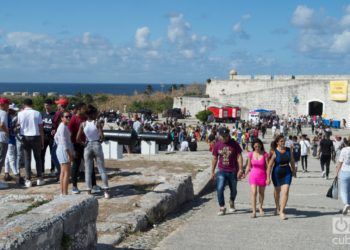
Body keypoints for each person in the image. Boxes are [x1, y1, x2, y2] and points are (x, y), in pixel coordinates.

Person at [77, 105, 110, 199]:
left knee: (88, 169)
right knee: (102, 169)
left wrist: (84, 143)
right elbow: (102, 136)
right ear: (93, 114)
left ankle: (88, 190)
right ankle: (106, 191)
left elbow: (77, 138)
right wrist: (100, 141)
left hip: (87, 145)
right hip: (96, 144)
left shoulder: (83, 124)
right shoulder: (97, 123)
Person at [211, 127, 243, 216]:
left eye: (226, 136)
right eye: (223, 136)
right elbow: (214, 158)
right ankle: (222, 207)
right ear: (220, 136)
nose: (224, 138)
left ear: (229, 135)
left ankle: (232, 200)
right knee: (219, 188)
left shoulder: (234, 144)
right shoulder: (217, 144)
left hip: (233, 170)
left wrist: (240, 169)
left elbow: (239, 156)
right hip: (221, 170)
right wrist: (212, 171)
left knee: (233, 190)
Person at [267, 135, 296, 220]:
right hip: (277, 173)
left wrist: (294, 170)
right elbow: (269, 166)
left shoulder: (288, 150)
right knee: (277, 192)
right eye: (281, 141)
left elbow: (292, 160)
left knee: (286, 191)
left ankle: (282, 211)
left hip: (287, 172)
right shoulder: (274, 152)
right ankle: (277, 206)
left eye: (284, 141)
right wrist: (268, 178)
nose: (283, 143)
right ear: (277, 143)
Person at [17, 98, 45, 188]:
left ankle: (28, 180)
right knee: (38, 158)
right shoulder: (37, 113)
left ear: (24, 104)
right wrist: (42, 140)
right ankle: (39, 178)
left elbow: (18, 125)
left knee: (27, 159)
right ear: (32, 104)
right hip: (36, 137)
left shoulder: (20, 113)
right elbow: (41, 128)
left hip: (25, 137)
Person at [245, 138, 269, 218]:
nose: (257, 147)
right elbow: (248, 166)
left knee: (261, 193)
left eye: (258, 146)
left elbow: (268, 167)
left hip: (262, 175)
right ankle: (254, 211)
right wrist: (244, 174)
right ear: (253, 146)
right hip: (253, 175)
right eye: (255, 146)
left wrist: (268, 178)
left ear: (261, 146)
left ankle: (260, 207)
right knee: (254, 192)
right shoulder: (251, 154)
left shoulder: (265, 154)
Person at [54, 111, 74, 195]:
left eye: (70, 116)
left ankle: (63, 192)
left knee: (63, 172)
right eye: (66, 117)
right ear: (62, 118)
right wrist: (69, 154)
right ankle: (65, 193)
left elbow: (55, 137)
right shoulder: (63, 127)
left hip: (62, 149)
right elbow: (64, 142)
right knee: (66, 172)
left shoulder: (63, 126)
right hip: (64, 150)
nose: (69, 118)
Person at [41, 99, 57, 176]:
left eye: (48, 105)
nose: (47, 106)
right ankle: (41, 171)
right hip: (43, 137)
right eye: (45, 105)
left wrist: (55, 130)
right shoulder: (41, 114)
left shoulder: (55, 114)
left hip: (52, 138)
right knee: (42, 154)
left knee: (53, 154)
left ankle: (53, 170)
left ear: (51, 105)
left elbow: (57, 125)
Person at [336, 136, 350, 215]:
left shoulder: (344, 150)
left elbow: (340, 162)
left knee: (343, 191)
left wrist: (336, 173)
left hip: (345, 171)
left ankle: (346, 203)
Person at [0, 97, 10, 189]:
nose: (9, 106)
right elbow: (2, 124)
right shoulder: (3, 113)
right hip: (2, 139)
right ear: (4, 105)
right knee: (0, 160)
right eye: (8, 104)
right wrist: (7, 132)